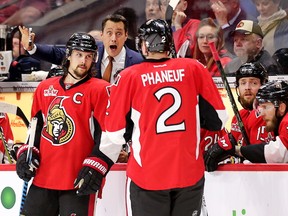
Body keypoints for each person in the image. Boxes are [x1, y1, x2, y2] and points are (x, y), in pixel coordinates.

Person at [101, 19, 228, 216]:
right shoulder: (194, 69)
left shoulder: (130, 76)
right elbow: (219, 119)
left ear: (144, 44)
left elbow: (115, 134)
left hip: (147, 176)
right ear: (168, 43)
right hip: (188, 174)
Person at [14, 32, 114, 215]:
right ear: (68, 55)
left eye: (89, 56)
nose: (83, 61)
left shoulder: (101, 90)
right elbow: (35, 131)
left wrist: (97, 165)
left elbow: (109, 136)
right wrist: (26, 155)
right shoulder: (45, 88)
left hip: (78, 181)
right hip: (43, 178)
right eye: (78, 54)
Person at [19, 14, 143, 84]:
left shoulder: (138, 61)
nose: (114, 38)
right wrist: (31, 47)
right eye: (109, 33)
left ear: (126, 35)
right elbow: (57, 53)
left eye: (119, 33)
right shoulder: (91, 51)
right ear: (102, 35)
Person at [205, 62, 275, 171]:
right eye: (243, 83)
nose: (247, 88)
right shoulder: (240, 116)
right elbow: (231, 144)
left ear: (263, 85)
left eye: (253, 83)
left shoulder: (271, 115)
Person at [204, 80, 288, 166]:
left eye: (265, 107)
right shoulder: (254, 117)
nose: (261, 113)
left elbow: (277, 153)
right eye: (260, 107)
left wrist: (237, 150)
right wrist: (223, 146)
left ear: (281, 107)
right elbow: (237, 138)